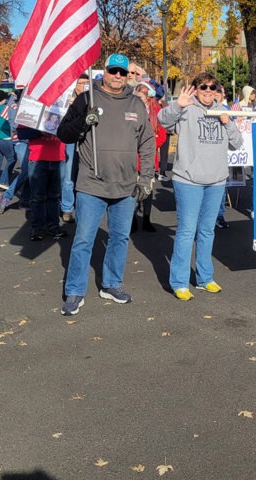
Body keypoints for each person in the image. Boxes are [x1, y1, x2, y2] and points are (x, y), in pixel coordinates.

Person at [56, 53, 155, 316]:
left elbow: (147, 143)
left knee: (120, 238)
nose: (118, 77)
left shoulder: (136, 104)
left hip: (125, 187)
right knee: (83, 240)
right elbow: (63, 133)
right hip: (92, 185)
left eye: (123, 73)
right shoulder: (87, 98)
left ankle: (111, 285)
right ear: (105, 73)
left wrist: (146, 178)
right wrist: (82, 122)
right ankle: (75, 291)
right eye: (113, 71)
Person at [158, 73, 242, 301]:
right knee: (187, 231)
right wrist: (177, 105)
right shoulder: (185, 108)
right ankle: (179, 282)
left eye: (212, 87)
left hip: (216, 181)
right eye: (203, 86)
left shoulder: (223, 109)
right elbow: (162, 121)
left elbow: (237, 144)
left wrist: (228, 124)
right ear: (195, 88)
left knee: (207, 231)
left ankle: (205, 279)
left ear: (217, 90)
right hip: (188, 180)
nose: (207, 90)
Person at [132, 81, 167, 232]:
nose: (143, 97)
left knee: (147, 189)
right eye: (140, 93)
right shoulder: (131, 108)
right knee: (132, 189)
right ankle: (132, 219)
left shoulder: (155, 110)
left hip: (148, 157)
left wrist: (150, 145)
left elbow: (163, 134)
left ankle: (146, 218)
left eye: (145, 94)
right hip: (132, 157)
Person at [26, 130, 68, 240]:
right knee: (37, 197)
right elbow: (22, 133)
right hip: (37, 159)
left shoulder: (65, 112)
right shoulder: (33, 111)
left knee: (55, 196)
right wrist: (41, 132)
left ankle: (53, 226)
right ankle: (37, 228)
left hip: (59, 158)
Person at [59, 73, 90, 224]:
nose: (83, 86)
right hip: (71, 142)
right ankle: (67, 208)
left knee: (83, 176)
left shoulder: (90, 99)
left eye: (86, 83)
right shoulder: (68, 99)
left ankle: (82, 208)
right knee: (69, 176)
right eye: (81, 83)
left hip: (86, 141)